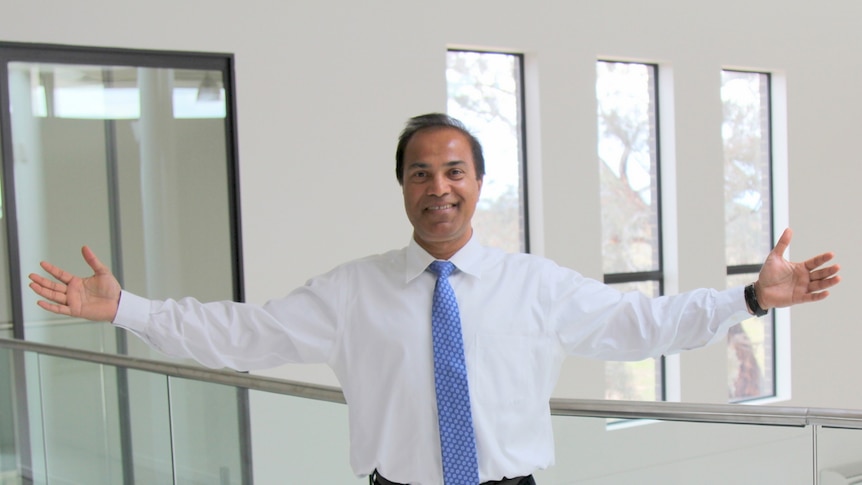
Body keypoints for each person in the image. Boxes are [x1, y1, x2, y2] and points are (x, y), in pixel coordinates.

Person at [29, 113, 841, 485]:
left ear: (478, 184)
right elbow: (244, 334)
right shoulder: (353, 289)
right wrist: (127, 307)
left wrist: (748, 299)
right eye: (421, 172)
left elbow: (640, 324)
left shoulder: (533, 284)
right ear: (403, 187)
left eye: (455, 171)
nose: (439, 187)